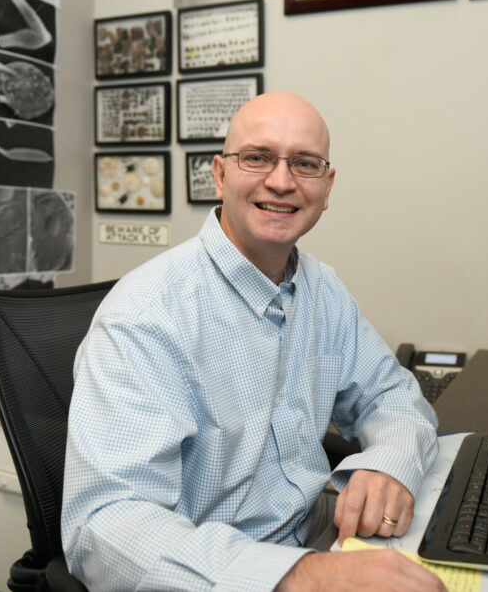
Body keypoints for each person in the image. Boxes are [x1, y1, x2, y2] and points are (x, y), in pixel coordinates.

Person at [62, 91, 443, 591]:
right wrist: (303, 578)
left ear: (327, 188)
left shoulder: (322, 290)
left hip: (318, 541)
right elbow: (106, 527)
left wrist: (387, 467)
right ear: (220, 175)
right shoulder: (145, 316)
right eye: (257, 158)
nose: (281, 182)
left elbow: (391, 394)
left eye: (304, 164)